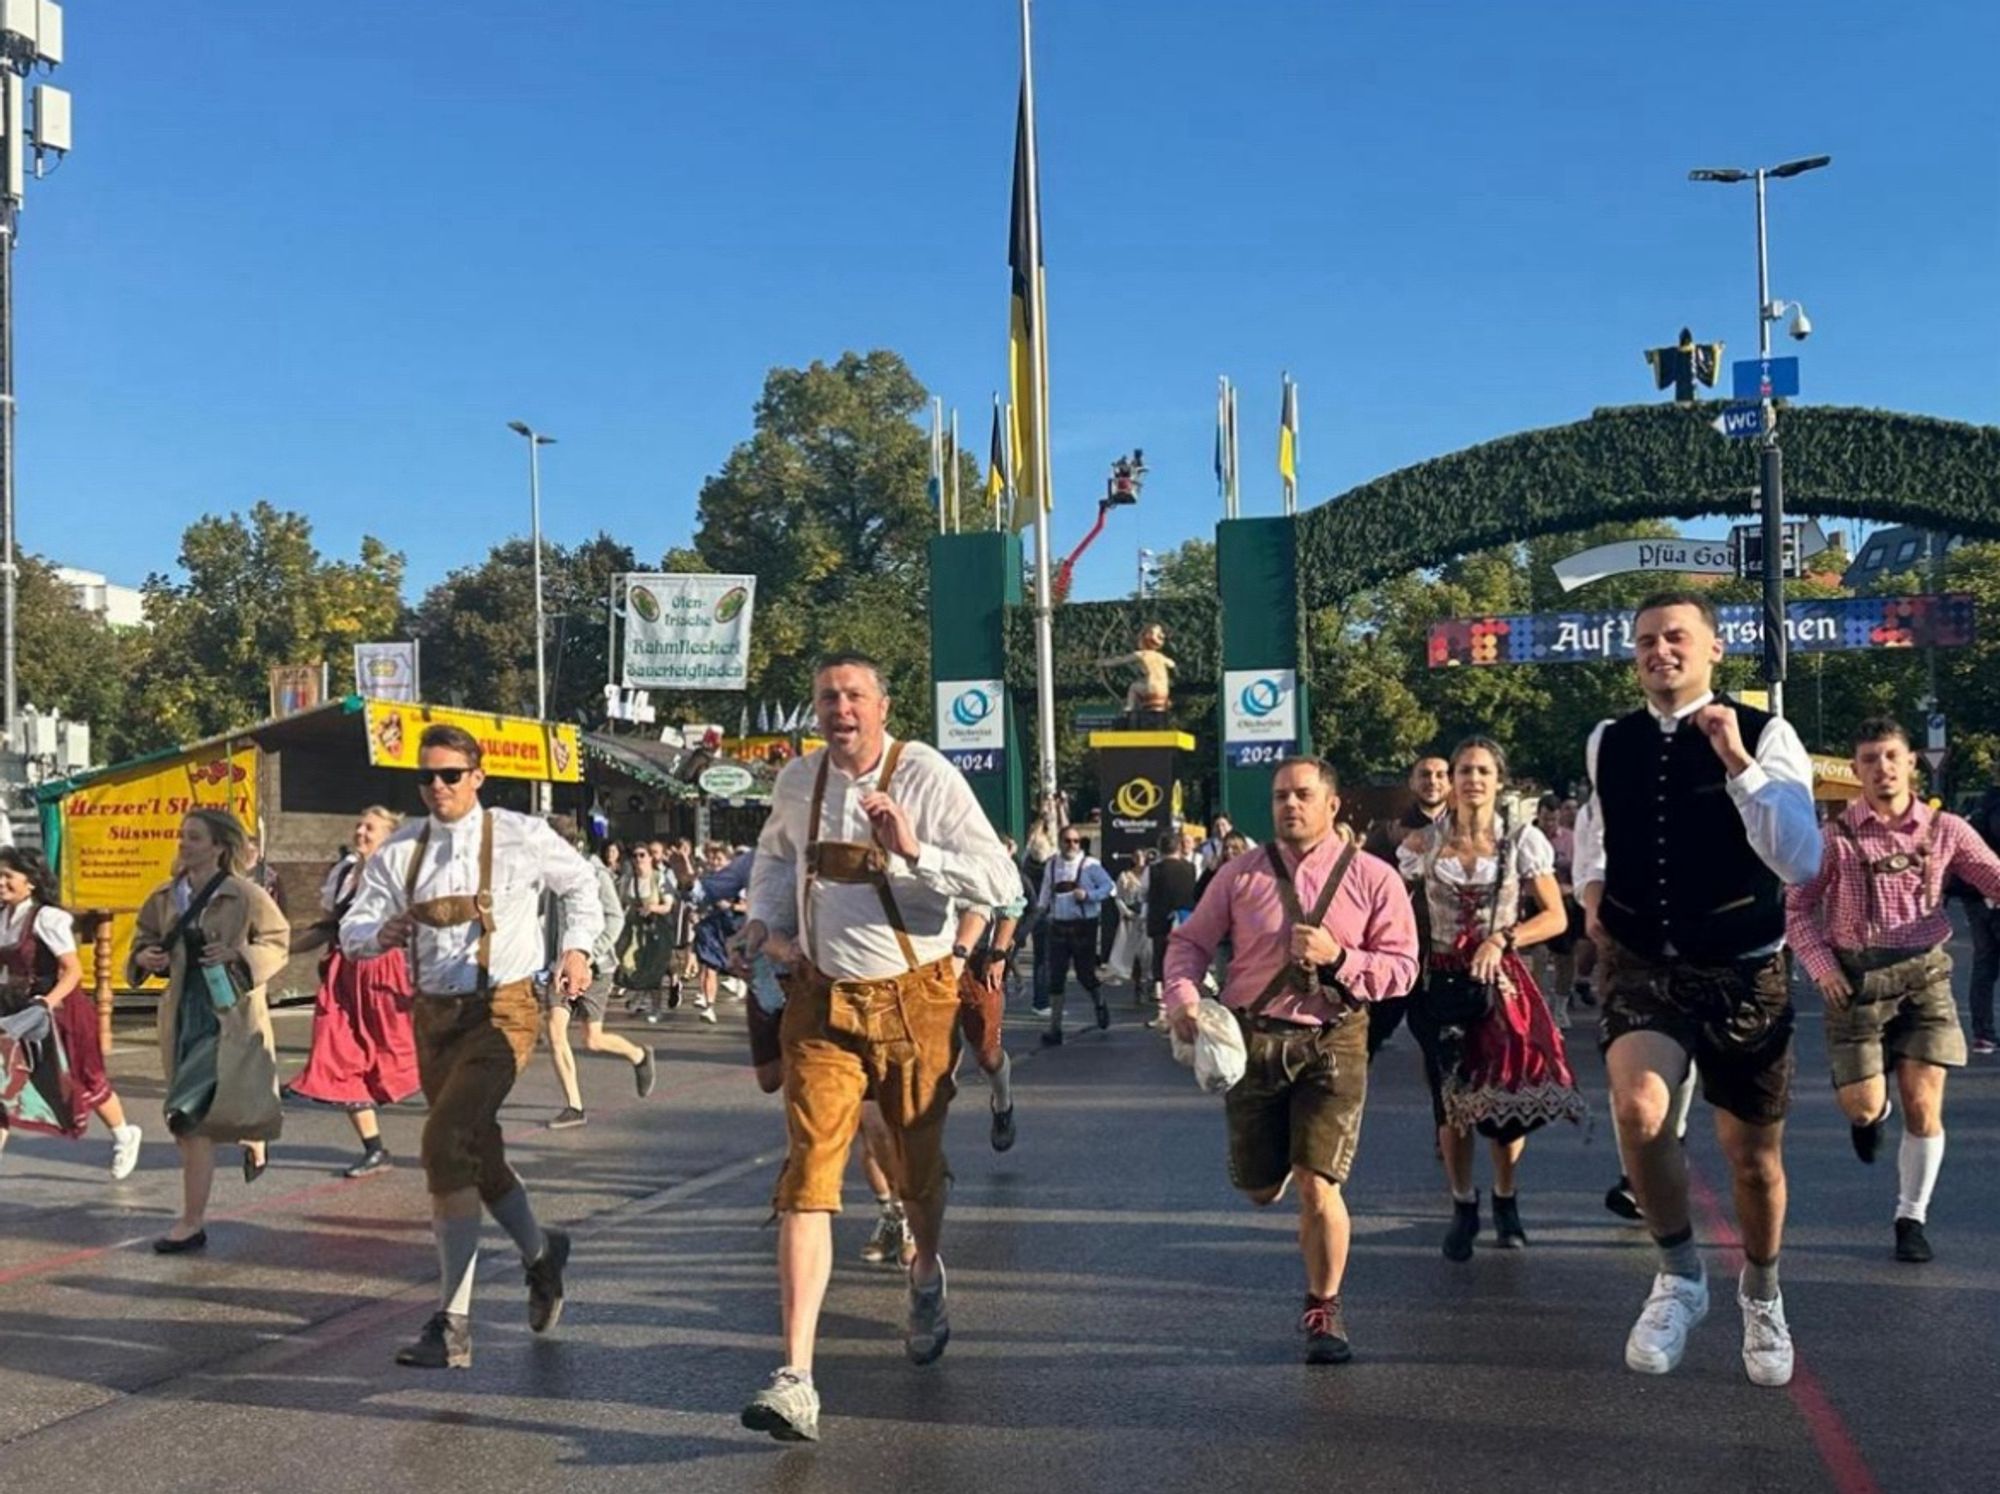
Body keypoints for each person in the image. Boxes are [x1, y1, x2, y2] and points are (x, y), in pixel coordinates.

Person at [735, 652, 1018, 1442]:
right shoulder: (798, 781)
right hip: (821, 1001)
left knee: (916, 1166)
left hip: (913, 999)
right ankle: (796, 1376)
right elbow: (773, 861)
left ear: (883, 707)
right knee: (809, 1172)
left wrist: (914, 848)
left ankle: (925, 1267)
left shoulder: (923, 772)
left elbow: (998, 876)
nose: (839, 707)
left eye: (854, 694)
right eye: (827, 695)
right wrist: (764, 926)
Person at [1573, 590, 1822, 1387]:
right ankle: (1680, 1272)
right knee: (1639, 1110)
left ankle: (1763, 1288)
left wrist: (1738, 765)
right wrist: (1591, 886)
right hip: (1646, 960)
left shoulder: (1765, 732)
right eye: (1646, 640)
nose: (1660, 651)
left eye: (1677, 637)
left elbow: (1800, 859)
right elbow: (1597, 829)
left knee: (1752, 1161)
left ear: (1715, 649)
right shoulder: (1608, 739)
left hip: (1744, 961)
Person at [342, 723, 603, 1370]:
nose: (437, 787)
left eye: (450, 775)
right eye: (426, 777)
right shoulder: (402, 850)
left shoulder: (521, 835)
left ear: (476, 777)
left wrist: (577, 947)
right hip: (433, 1017)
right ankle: (543, 1256)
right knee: (478, 1157)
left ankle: (453, 1323)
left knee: (443, 1142)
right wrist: (380, 934)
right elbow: (354, 924)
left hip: (504, 1010)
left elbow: (580, 885)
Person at [1164, 757, 1419, 1364]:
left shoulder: (1375, 878)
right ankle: (1277, 1169)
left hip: (1334, 1037)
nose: (1290, 805)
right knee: (1258, 1188)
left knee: (1318, 1184)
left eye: (1304, 794)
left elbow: (1404, 968)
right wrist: (1184, 998)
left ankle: (1324, 1308)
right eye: (1281, 796)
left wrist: (1340, 959)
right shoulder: (1237, 875)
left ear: (1333, 805)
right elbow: (1189, 942)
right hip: (1252, 1041)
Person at [1784, 718, 2000, 1263]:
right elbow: (1797, 907)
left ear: (1909, 764)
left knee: (1924, 1105)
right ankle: (1871, 1119)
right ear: (1857, 771)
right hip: (1855, 983)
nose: (1881, 768)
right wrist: (1821, 966)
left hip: (1925, 977)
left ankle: (1911, 1218)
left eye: (1890, 757)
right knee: (1863, 1106)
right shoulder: (1835, 838)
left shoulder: (1947, 829)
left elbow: (1993, 875)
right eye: (1870, 759)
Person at [1400, 738, 1584, 1259]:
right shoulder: (1420, 846)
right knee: (1451, 1105)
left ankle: (1506, 1196)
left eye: (1482, 770)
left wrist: (1503, 938)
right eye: (1463, 770)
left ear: (1498, 780)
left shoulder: (1521, 841)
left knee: (1504, 1106)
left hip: (1500, 984)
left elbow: (1555, 916)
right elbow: (1394, 908)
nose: (1472, 779)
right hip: (1439, 981)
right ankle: (1463, 1203)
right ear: (1451, 781)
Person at [128, 809, 290, 1252]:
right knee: (201, 1111)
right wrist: (145, 958)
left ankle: (191, 1222)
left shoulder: (245, 895)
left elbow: (277, 941)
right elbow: (142, 938)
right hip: (183, 1014)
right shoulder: (164, 896)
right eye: (182, 836)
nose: (184, 844)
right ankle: (251, 1134)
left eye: (195, 837)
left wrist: (238, 956)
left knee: (186, 1119)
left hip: (227, 1015)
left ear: (219, 846)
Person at [285, 808, 420, 1176]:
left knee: (404, 1053)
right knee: (341, 1055)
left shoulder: (399, 873)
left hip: (386, 971)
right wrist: (282, 950)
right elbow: (329, 927)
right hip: (344, 973)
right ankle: (375, 1149)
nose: (360, 831)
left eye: (370, 827)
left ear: (389, 836)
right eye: (359, 825)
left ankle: (461, 1132)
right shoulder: (344, 873)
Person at [0, 848, 145, 1179]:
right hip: (17, 1011)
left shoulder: (47, 918)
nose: (1, 882)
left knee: (83, 1078)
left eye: (8, 875)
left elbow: (73, 971)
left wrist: (46, 1003)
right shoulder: (2, 917)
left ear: (31, 882)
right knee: (3, 1084)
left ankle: (124, 1135)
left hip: (60, 1011)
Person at [543, 815, 658, 1130]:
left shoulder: (594, 873)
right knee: (555, 1030)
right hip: (559, 966)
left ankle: (638, 1055)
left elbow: (615, 918)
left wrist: (587, 954)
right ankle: (574, 1106)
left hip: (596, 965)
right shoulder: (548, 875)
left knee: (592, 1039)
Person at [1362, 755, 1450, 1059]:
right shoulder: (1387, 833)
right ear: (1412, 782)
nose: (1433, 781)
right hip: (1394, 953)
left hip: (1444, 959)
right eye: (1425, 774)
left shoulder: (1469, 833)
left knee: (1443, 1054)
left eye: (1441, 774)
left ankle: (1448, 1109)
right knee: (1365, 1043)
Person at [1036, 827, 1116, 1045]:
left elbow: (1110, 887)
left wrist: (1089, 895)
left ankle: (1099, 1002)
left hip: (1084, 926)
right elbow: (1045, 891)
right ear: (1060, 842)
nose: (1072, 845)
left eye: (1076, 841)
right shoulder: (1052, 864)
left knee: (1084, 974)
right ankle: (1055, 1028)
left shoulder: (1090, 865)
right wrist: (1041, 910)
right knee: (1056, 976)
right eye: (1067, 841)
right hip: (1058, 925)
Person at [1957, 761, 2000, 1055]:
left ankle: (1983, 1034)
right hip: (1993, 889)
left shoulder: (1982, 803)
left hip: (1974, 896)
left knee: (1984, 964)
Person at [1143, 831, 1199, 1025]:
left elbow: (1143, 892)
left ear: (1160, 848)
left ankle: (1162, 1012)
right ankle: (1186, 1008)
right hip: (1186, 923)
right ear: (1179, 847)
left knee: (1160, 966)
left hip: (1160, 923)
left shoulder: (1152, 870)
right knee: (1184, 965)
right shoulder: (1191, 868)